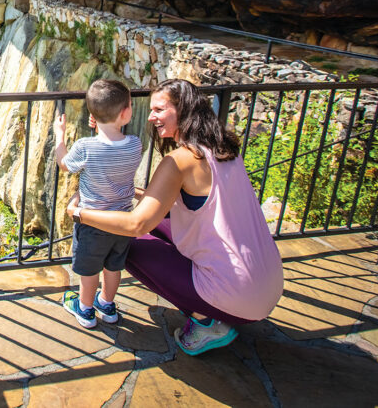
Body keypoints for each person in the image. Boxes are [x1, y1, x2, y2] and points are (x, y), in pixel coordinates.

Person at [67, 78, 283, 355]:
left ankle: (207, 322)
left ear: (183, 109)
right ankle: (207, 306)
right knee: (155, 228)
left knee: (122, 243)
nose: (152, 117)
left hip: (239, 297)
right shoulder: (223, 148)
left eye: (159, 110)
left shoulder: (180, 160)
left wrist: (80, 213)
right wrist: (135, 193)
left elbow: (135, 225)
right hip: (268, 281)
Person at [53, 79, 142, 328]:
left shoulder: (85, 147)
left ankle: (85, 309)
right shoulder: (136, 145)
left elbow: (65, 165)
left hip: (91, 221)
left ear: (92, 115)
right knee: (114, 268)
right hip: (122, 221)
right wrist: (104, 123)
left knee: (89, 270)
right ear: (125, 113)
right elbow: (115, 146)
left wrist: (59, 136)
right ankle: (107, 303)